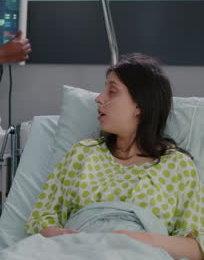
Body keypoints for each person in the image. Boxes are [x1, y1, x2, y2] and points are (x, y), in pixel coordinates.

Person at [25, 53, 204, 260]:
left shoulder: (177, 166)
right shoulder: (83, 153)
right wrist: (60, 236)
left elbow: (196, 247)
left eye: (112, 91)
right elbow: (41, 219)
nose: (99, 98)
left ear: (140, 105)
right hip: (73, 251)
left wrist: (141, 240)